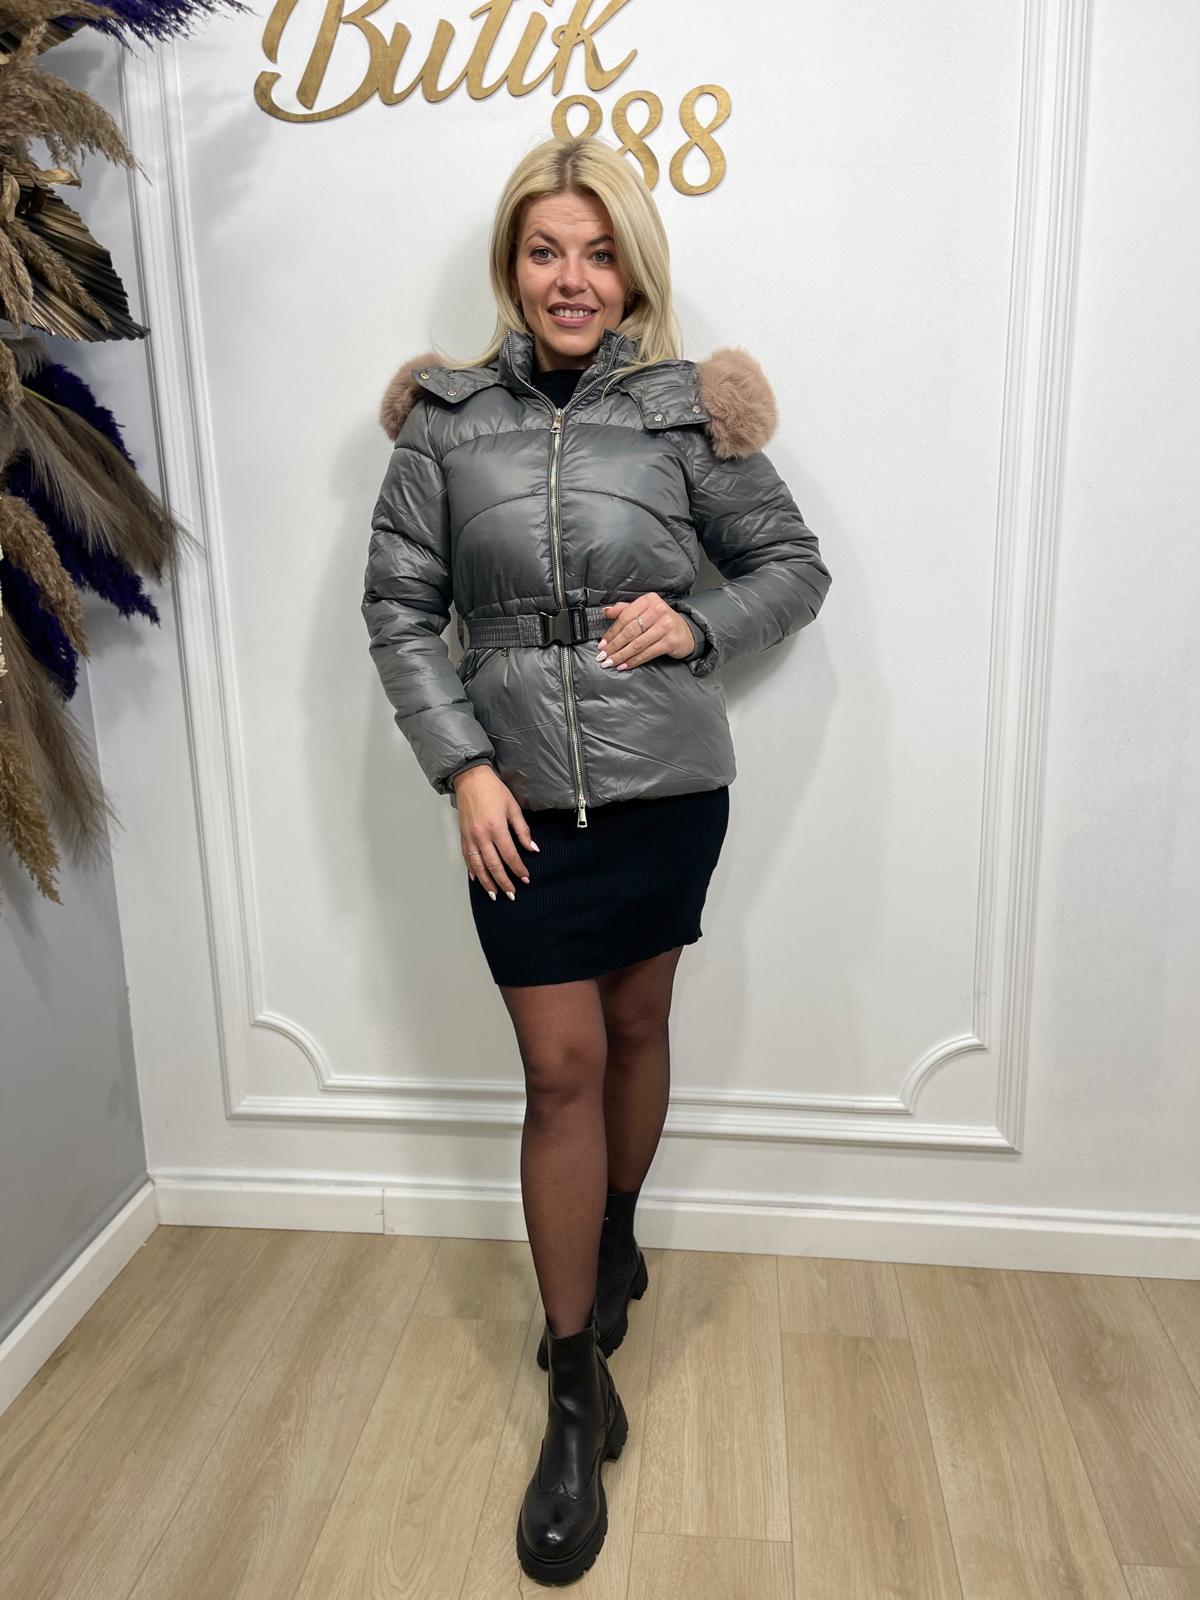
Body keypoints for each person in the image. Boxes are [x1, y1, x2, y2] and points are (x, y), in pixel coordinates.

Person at [361, 133, 833, 1586]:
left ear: (631, 269)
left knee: (636, 1029)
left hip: (663, 790)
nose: (572, 278)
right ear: (512, 267)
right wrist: (463, 768)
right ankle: (575, 1389)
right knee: (557, 1069)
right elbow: (400, 609)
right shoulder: (445, 425)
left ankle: (616, 1237)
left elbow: (794, 567)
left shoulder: (689, 414)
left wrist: (699, 621)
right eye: (544, 251)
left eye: (597, 251)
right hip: (513, 802)